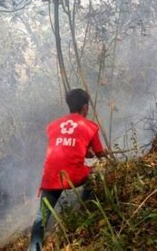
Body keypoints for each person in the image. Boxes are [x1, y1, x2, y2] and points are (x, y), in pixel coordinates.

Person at [29, 88, 107, 251]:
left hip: (50, 178)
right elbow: (100, 154)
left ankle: (34, 248)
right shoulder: (90, 126)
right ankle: (85, 212)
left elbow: (65, 145)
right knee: (96, 173)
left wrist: (85, 151)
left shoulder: (52, 126)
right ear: (85, 107)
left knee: (40, 218)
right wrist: (102, 154)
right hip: (74, 175)